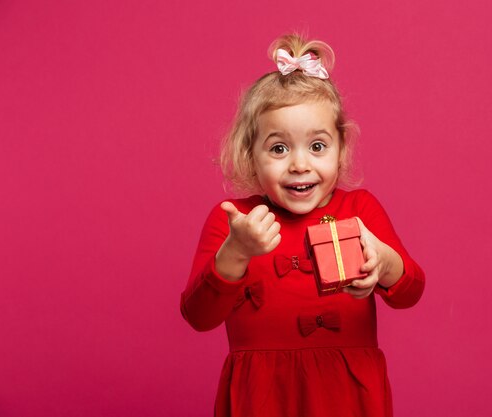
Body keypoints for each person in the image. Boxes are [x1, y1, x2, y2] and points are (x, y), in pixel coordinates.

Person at [180, 33, 425, 417]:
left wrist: (383, 262)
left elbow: (412, 290)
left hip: (347, 395)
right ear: (251, 154)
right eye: (279, 148)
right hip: (262, 396)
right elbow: (198, 316)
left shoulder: (359, 208)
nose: (299, 164)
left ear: (341, 147)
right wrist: (236, 251)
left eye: (317, 146)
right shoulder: (234, 220)